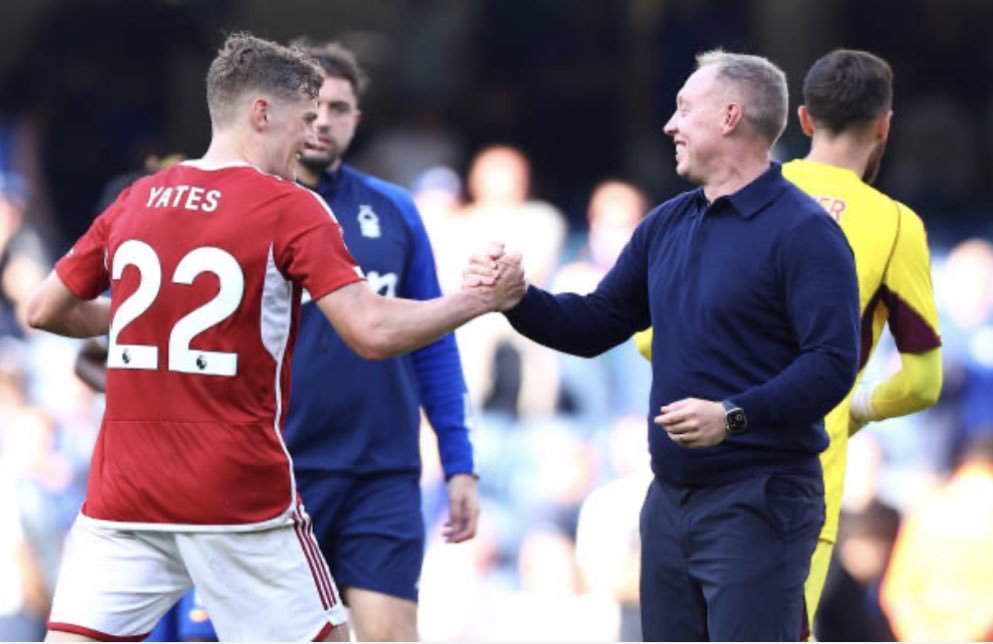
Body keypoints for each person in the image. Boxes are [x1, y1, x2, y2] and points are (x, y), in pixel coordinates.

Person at [25, 32, 520, 642]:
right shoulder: (289, 206)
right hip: (237, 495)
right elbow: (370, 330)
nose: (310, 135)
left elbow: (44, 308)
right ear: (262, 113)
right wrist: (478, 300)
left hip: (124, 497)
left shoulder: (139, 197)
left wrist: (132, 316)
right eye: (305, 118)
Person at [467, 50, 860, 641]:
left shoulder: (805, 232)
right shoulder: (667, 224)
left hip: (760, 501)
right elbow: (598, 321)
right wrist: (519, 298)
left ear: (730, 117)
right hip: (670, 500)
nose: (669, 125)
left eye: (683, 109)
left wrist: (732, 416)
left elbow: (833, 364)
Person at [637, 49, 943, 634]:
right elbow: (924, 381)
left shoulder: (741, 194)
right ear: (885, 125)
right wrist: (853, 409)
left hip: (688, 475)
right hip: (793, 479)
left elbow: (650, 341)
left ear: (803, 120)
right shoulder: (896, 224)